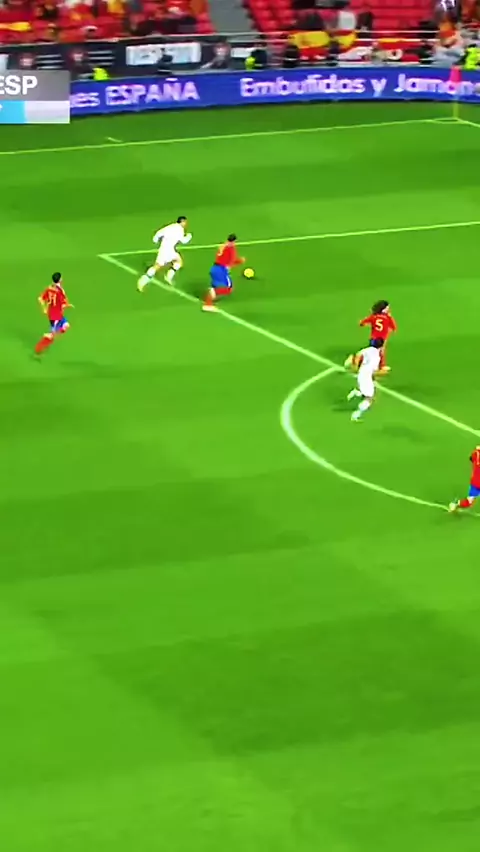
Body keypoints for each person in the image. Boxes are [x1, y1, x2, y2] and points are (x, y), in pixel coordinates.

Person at [137, 217, 192, 292]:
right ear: (182, 222)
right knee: (157, 266)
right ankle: (142, 281)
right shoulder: (180, 230)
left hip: (168, 249)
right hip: (166, 251)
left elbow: (159, 232)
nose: (186, 224)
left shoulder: (170, 226)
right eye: (185, 222)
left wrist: (155, 239)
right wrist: (189, 236)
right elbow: (184, 241)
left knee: (179, 261)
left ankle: (168, 276)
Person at [202, 235, 245, 313]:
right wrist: (240, 261)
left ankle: (209, 300)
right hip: (221, 270)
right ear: (234, 241)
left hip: (215, 268)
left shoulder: (223, 246)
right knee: (228, 289)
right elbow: (230, 262)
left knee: (216, 286)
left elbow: (223, 259)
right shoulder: (231, 248)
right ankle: (207, 304)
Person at [35, 273, 73, 356]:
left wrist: (44, 308)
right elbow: (63, 304)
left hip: (53, 314)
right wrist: (67, 305)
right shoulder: (60, 291)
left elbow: (40, 299)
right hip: (56, 316)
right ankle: (38, 349)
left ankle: (51, 334)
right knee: (53, 334)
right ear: (60, 280)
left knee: (66, 326)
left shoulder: (49, 288)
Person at [346, 340, 383, 422]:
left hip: (361, 373)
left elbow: (358, 355)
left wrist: (355, 366)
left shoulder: (367, 349)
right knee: (369, 399)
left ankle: (357, 392)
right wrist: (384, 372)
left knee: (368, 394)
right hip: (366, 377)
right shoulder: (377, 357)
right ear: (381, 347)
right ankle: (355, 415)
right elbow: (374, 372)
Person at [358, 300, 397, 373]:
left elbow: (363, 322)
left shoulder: (374, 316)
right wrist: (390, 319)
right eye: (387, 308)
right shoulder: (387, 317)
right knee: (380, 352)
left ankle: (362, 362)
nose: (388, 309)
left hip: (373, 337)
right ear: (383, 309)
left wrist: (362, 323)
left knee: (372, 351)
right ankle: (380, 367)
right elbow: (394, 327)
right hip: (381, 338)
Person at [449, 447, 480, 512]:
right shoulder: (477, 452)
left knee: (469, 502)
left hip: (475, 482)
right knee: (469, 502)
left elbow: (471, 459)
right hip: (476, 483)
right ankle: (457, 503)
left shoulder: (476, 453)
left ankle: (456, 503)